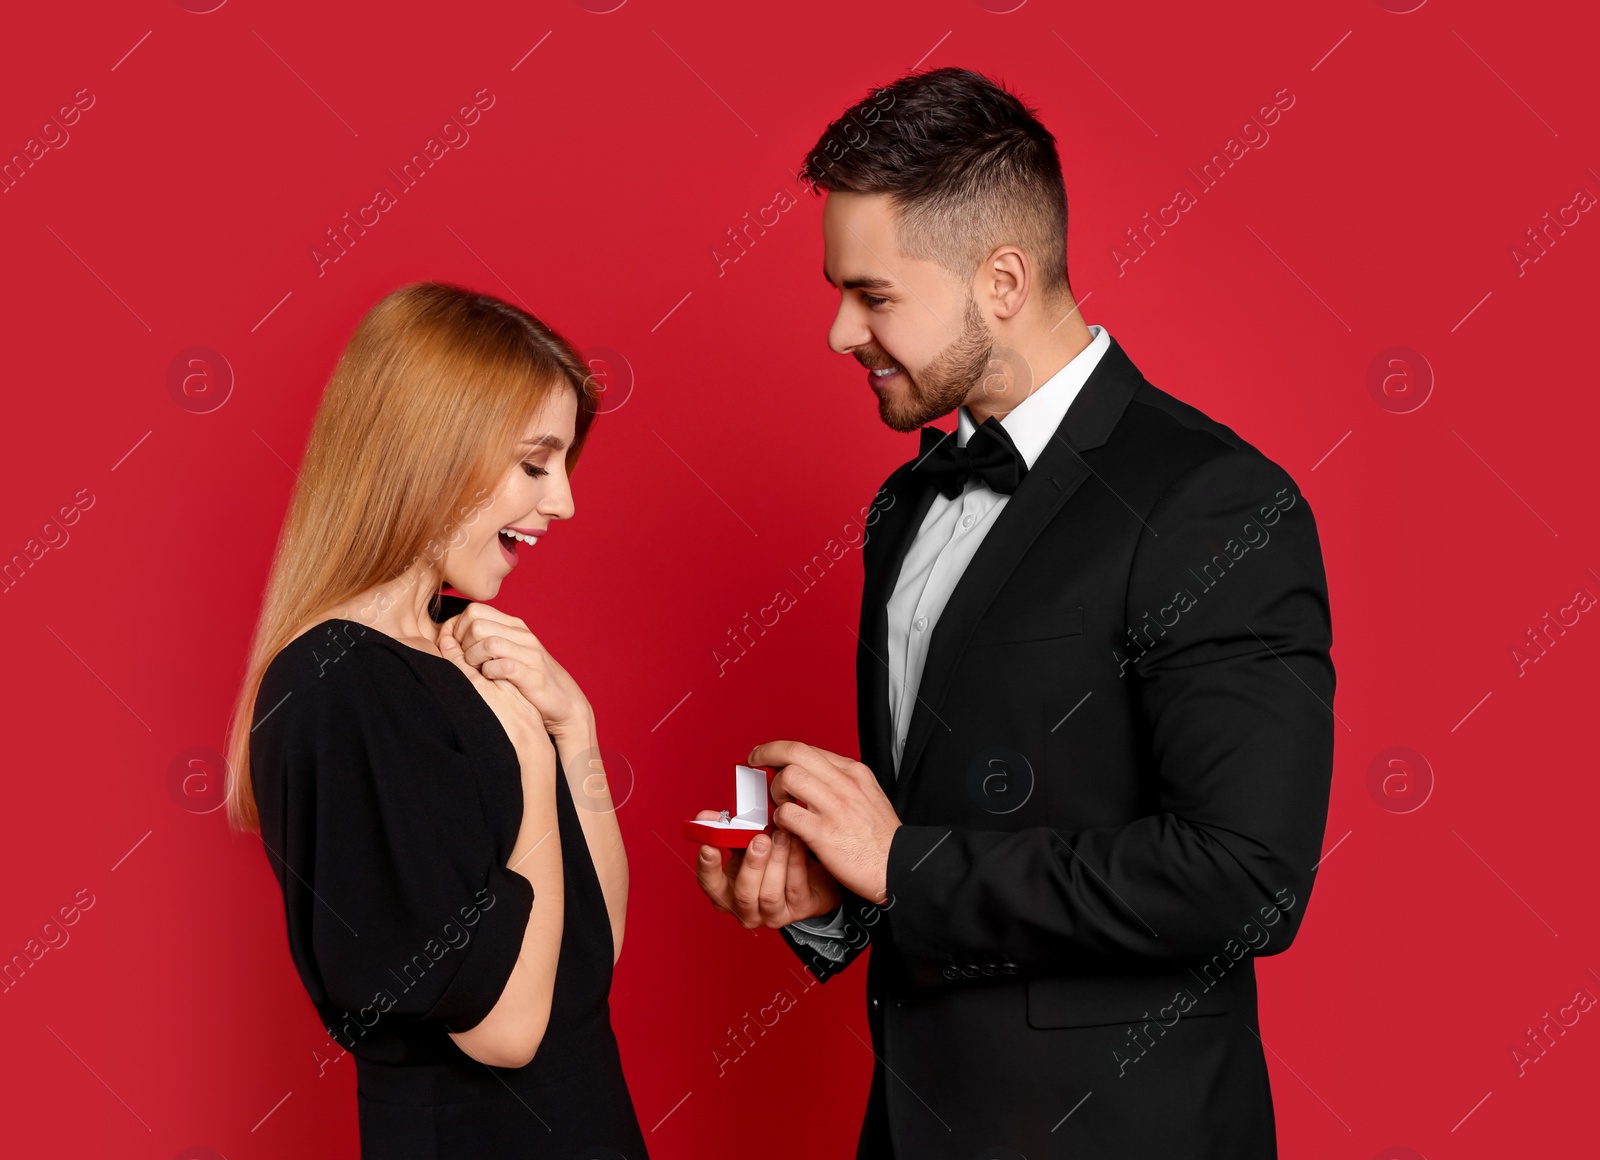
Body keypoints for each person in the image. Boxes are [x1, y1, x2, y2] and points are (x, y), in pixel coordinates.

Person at [693, 67, 1335, 1158]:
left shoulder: (1214, 501)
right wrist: (835, 892)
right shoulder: (907, 500)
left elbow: (1244, 881)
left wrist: (902, 864)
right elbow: (937, 824)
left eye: (873, 294)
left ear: (1001, 279)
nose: (839, 332)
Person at [225, 282, 649, 1158]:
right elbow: (505, 1030)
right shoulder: (338, 682)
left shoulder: (454, 645)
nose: (563, 501)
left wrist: (577, 733)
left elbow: (590, 953)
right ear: (431, 451)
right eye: (535, 464)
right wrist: (533, 760)